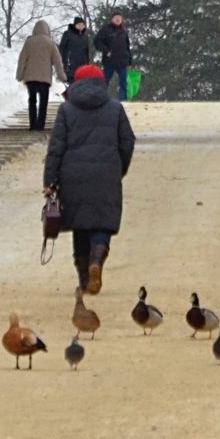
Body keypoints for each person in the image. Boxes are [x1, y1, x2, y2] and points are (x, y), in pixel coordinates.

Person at [45, 62, 135, 296]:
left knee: (80, 226)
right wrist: (119, 168)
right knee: (102, 223)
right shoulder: (114, 108)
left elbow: (56, 147)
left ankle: (85, 278)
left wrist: (50, 180)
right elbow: (128, 141)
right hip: (107, 174)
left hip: (72, 176)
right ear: (101, 83)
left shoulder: (66, 110)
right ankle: (97, 258)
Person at [16, 19, 64, 131]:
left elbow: (22, 59)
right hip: (44, 78)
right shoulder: (50, 43)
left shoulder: (29, 42)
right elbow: (57, 61)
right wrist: (62, 76)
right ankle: (40, 125)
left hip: (30, 78)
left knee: (32, 100)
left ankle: (32, 124)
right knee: (43, 102)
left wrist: (19, 74)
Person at [98, 13, 134, 100]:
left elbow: (127, 47)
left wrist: (130, 61)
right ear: (112, 19)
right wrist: (106, 51)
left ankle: (123, 102)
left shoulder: (124, 32)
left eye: (120, 18)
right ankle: (101, 100)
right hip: (109, 61)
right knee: (105, 82)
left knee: (123, 83)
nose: (118, 19)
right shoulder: (106, 29)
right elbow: (97, 42)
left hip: (122, 62)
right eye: (116, 18)